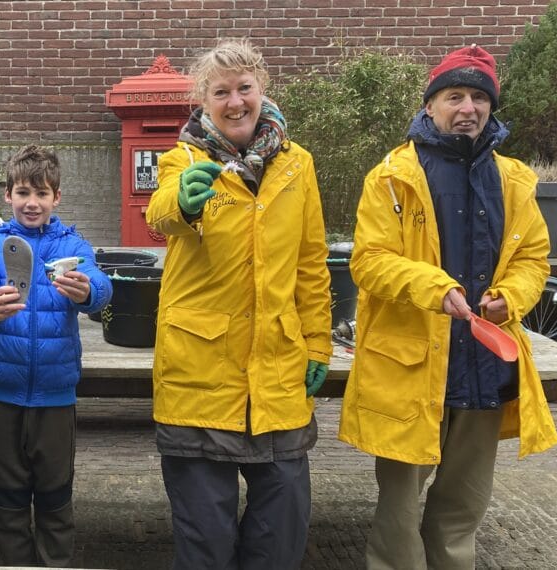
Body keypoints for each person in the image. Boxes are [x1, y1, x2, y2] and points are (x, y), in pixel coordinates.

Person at [338, 45, 557, 569]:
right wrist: (433, 287)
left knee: (463, 508)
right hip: (410, 369)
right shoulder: (392, 176)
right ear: (431, 105)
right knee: (398, 512)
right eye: (454, 95)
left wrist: (513, 296)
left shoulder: (516, 180)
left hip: (486, 366)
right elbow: (369, 261)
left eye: (479, 97)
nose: (468, 107)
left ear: (491, 107)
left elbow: (533, 259)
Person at [143, 39, 332, 569]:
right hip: (200, 374)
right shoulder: (183, 158)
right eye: (220, 92)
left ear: (262, 91)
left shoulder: (298, 166)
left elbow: (311, 262)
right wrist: (182, 202)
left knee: (282, 536)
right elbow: (160, 214)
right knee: (206, 544)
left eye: (244, 88)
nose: (234, 102)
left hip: (277, 370)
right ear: (203, 101)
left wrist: (318, 341)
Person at [0, 145, 113, 566]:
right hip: (1, 396)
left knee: (55, 496)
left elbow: (100, 285)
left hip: (55, 396)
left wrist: (90, 292)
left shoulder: (74, 244)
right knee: (6, 499)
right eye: (24, 192)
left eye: (42, 193)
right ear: (8, 195)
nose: (32, 202)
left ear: (56, 198)